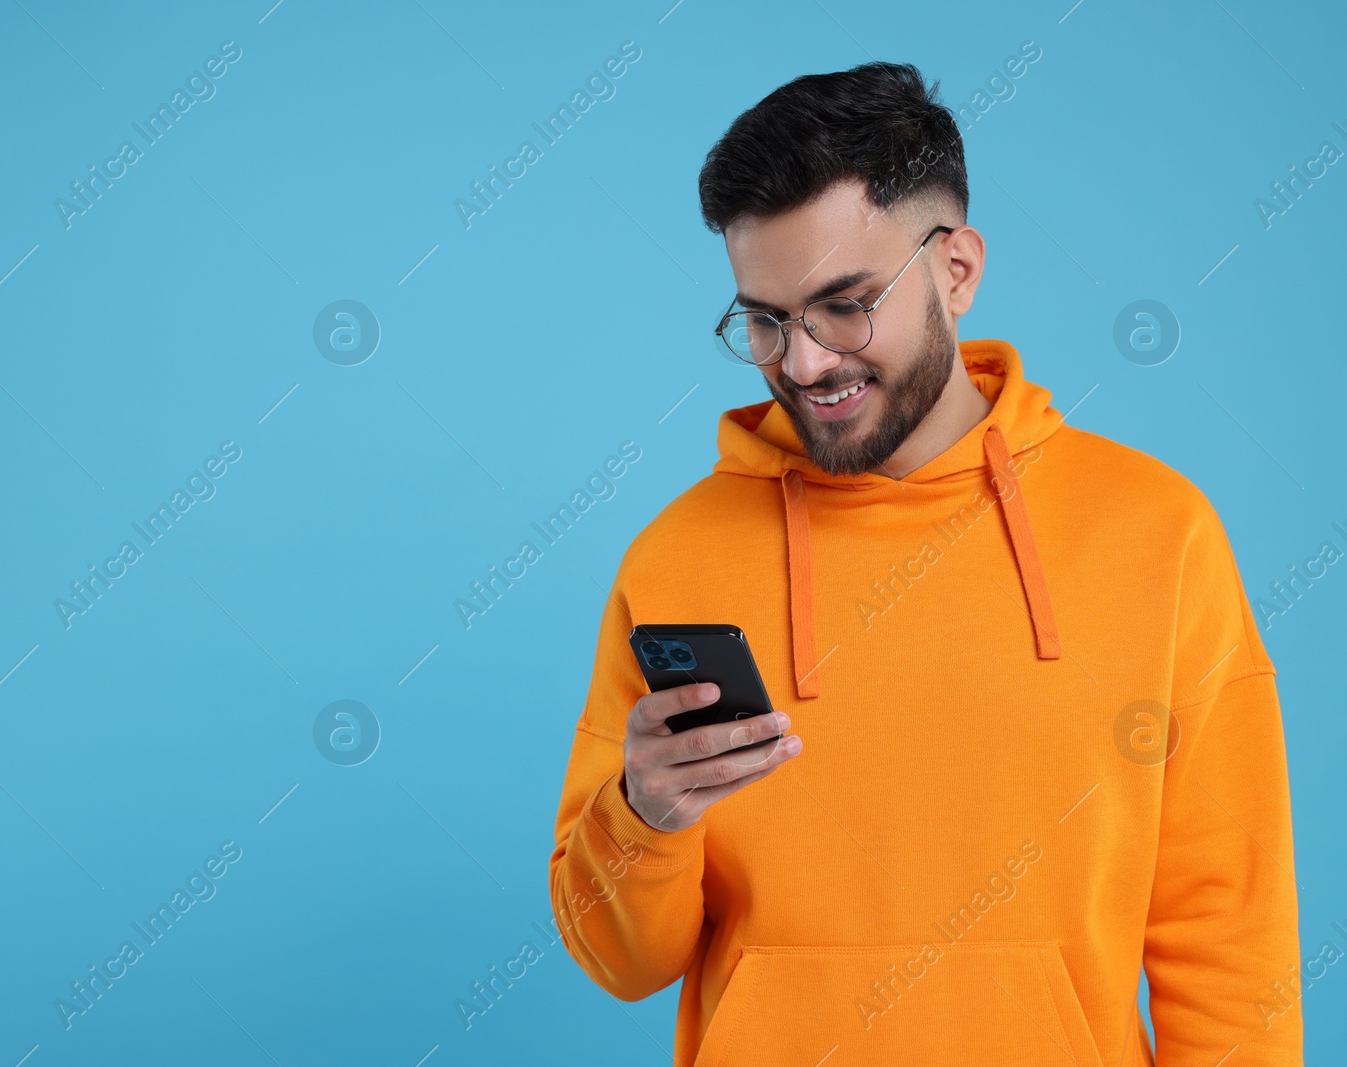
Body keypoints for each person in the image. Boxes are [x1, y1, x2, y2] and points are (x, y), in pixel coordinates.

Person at [548, 61, 1303, 1066]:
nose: (804, 361)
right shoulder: (677, 557)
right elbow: (620, 959)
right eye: (766, 319)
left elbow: (1229, 945)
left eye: (845, 304)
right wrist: (644, 815)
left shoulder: (1157, 533)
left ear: (956, 270)